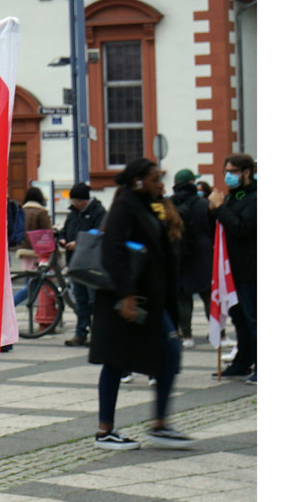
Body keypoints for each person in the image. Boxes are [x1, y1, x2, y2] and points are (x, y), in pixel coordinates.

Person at [87, 158, 193, 450]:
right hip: (127, 301)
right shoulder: (125, 206)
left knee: (168, 354)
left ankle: (160, 424)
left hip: (150, 300)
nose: (160, 183)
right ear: (138, 181)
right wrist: (127, 295)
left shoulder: (145, 206)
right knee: (116, 360)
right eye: (155, 178)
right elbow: (113, 250)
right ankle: (105, 430)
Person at [210, 153, 256, 382]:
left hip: (250, 268)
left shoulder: (255, 198)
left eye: (232, 172)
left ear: (246, 172)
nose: (228, 176)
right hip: (232, 269)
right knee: (239, 318)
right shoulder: (233, 197)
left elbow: (241, 228)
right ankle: (243, 361)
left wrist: (220, 209)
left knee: (253, 318)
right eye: (226, 172)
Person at [59, 182, 105, 347]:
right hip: (75, 263)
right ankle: (80, 332)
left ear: (84, 201)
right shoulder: (73, 214)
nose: (74, 205)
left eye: (76, 201)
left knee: (93, 300)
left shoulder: (98, 212)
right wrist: (62, 238)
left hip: (90, 263)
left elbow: (98, 233)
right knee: (80, 300)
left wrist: (78, 243)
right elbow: (65, 229)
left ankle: (97, 334)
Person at [170, 169, 211, 348]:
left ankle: (187, 336)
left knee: (182, 298)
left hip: (178, 256)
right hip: (203, 256)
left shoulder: (168, 204)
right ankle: (220, 334)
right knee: (208, 295)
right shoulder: (203, 204)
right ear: (192, 183)